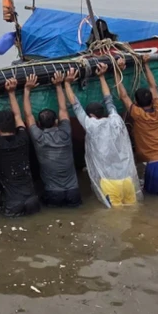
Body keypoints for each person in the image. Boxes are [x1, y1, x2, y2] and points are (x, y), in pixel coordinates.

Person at [64, 63, 141, 207]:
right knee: (132, 210)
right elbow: (109, 100)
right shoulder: (116, 120)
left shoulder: (91, 125)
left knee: (115, 216)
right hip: (127, 180)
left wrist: (67, 84)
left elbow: (76, 106)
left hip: (110, 182)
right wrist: (102, 77)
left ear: (91, 115)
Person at [114, 54, 158, 195]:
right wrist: (146, 64)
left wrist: (117, 72)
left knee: (151, 203)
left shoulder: (138, 114)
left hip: (156, 167)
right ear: (152, 100)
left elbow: (124, 96)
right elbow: (153, 87)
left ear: (136, 102)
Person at [0, 78, 41, 217]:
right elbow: (18, 116)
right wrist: (11, 92)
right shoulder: (23, 138)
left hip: (12, 205)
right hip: (32, 200)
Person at [23, 72, 81, 207]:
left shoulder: (39, 137)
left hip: (53, 193)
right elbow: (63, 109)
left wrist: (27, 90)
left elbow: (28, 115)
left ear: (38, 124)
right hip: (74, 191)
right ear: (56, 121)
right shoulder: (65, 133)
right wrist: (59, 85)